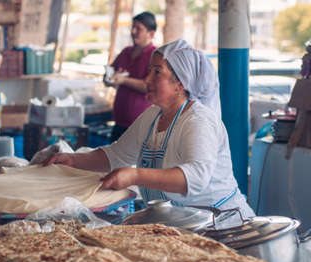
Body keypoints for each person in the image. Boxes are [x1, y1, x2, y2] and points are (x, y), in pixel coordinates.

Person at [46, 39, 255, 225]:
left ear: (180, 83)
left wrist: (135, 175)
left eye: (157, 72)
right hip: (180, 225)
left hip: (222, 226)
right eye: (149, 71)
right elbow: (116, 155)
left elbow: (196, 177)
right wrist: (72, 160)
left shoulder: (198, 121)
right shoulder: (153, 116)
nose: (147, 79)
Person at [106, 11, 157, 142]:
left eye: (138, 29)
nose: (133, 31)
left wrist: (123, 80)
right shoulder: (125, 52)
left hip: (141, 125)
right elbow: (109, 73)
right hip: (119, 122)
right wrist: (109, 79)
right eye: (132, 28)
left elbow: (149, 86)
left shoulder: (155, 56)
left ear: (151, 33)